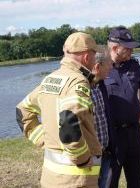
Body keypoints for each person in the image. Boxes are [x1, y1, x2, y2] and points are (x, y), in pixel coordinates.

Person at [16, 32, 103, 188]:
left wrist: (43, 139)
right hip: (76, 180)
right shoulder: (78, 81)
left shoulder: (51, 79)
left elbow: (22, 111)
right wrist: (82, 158)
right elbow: (68, 121)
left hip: (51, 178)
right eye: (94, 53)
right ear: (86, 57)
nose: (95, 58)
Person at [104, 26, 140, 188]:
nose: (132, 51)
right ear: (115, 48)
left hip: (135, 133)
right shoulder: (101, 68)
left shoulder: (133, 65)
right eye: (128, 48)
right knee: (110, 182)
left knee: (137, 181)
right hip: (113, 137)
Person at [91, 47, 114, 188]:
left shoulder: (98, 87)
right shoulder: (82, 90)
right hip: (91, 158)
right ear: (98, 67)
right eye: (109, 64)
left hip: (105, 152)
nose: (111, 67)